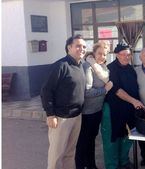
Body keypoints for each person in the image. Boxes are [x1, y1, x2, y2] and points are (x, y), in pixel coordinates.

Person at [40, 34, 86, 169]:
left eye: (84, 46)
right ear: (69, 47)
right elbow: (46, 91)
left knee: (70, 152)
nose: (82, 49)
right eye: (78, 46)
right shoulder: (60, 66)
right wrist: (50, 114)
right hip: (61, 118)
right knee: (56, 153)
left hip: (77, 116)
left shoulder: (80, 66)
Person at [101, 43, 145, 169]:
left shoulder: (131, 69)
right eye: (123, 54)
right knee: (112, 139)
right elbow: (117, 90)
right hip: (113, 110)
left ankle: (124, 161)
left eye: (129, 55)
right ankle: (112, 166)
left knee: (127, 136)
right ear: (116, 55)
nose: (127, 57)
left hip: (129, 109)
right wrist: (134, 101)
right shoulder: (110, 69)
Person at [75, 41, 113, 169]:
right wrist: (105, 90)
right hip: (87, 112)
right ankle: (80, 166)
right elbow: (87, 91)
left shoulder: (103, 67)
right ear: (94, 53)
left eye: (104, 54)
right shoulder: (88, 66)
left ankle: (91, 165)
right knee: (83, 142)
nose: (102, 56)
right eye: (99, 53)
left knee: (91, 140)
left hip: (97, 110)